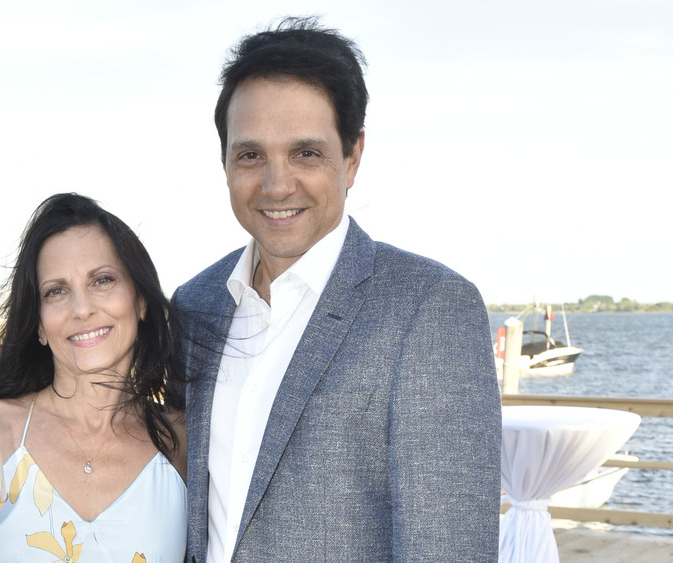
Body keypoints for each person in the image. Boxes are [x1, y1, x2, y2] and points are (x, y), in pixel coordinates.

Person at [172, 17, 502, 562]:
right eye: (251, 154)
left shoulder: (430, 309)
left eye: (306, 153)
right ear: (225, 161)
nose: (277, 184)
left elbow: (448, 549)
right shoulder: (196, 304)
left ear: (352, 157)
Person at [0, 193, 187, 562]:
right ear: (39, 324)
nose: (82, 308)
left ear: (140, 300)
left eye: (102, 280)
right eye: (56, 291)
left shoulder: (180, 439)